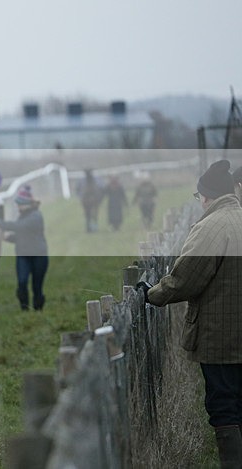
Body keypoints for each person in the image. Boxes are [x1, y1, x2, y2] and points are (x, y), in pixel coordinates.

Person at [137, 160, 242, 468]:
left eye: (199, 197)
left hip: (222, 335)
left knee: (224, 405)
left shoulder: (213, 227)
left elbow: (185, 279)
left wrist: (151, 294)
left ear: (206, 195)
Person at [0, 185, 48, 311]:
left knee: (37, 286)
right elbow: (22, 235)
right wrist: (8, 238)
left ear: (27, 204)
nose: (18, 207)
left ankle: (38, 309)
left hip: (38, 256)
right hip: (23, 256)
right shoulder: (23, 216)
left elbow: (19, 227)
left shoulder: (36, 216)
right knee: (22, 282)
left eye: (20, 204)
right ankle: (24, 308)